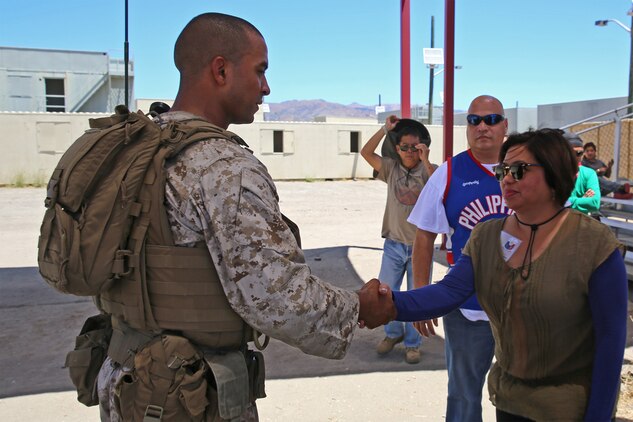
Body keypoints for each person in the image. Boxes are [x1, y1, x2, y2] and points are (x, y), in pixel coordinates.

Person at [95, 13, 392, 421]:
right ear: (221, 70)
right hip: (185, 394)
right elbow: (276, 296)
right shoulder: (222, 167)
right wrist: (358, 308)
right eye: (260, 70)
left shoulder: (132, 146)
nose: (266, 87)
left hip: (122, 377)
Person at [378, 128, 628, 421]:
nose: (506, 178)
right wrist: (384, 303)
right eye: (503, 170)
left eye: (519, 170)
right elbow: (448, 292)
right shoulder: (487, 236)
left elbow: (610, 342)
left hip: (568, 409)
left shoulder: (594, 244)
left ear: (554, 172)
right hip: (510, 404)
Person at [406, 95, 512, 422]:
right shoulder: (449, 173)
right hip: (468, 308)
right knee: (464, 396)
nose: (483, 127)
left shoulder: (526, 168)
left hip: (521, 308)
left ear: (505, 126)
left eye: (491, 119)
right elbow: (424, 236)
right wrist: (421, 296)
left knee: (522, 396)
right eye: (474, 120)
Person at [360, 115, 435, 364]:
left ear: (424, 147)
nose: (410, 152)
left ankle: (413, 343)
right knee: (386, 293)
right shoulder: (391, 169)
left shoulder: (429, 171)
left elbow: (441, 187)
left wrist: (425, 161)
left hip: (420, 249)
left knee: (416, 296)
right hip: (393, 245)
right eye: (404, 147)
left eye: (416, 147)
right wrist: (385, 129)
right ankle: (393, 334)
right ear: (397, 148)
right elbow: (366, 151)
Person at [565, 132, 601, 215]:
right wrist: (582, 199)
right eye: (572, 153)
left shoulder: (589, 173)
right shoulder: (553, 173)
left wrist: (568, 202)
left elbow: (594, 203)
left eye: (580, 153)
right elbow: (550, 202)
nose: (577, 157)